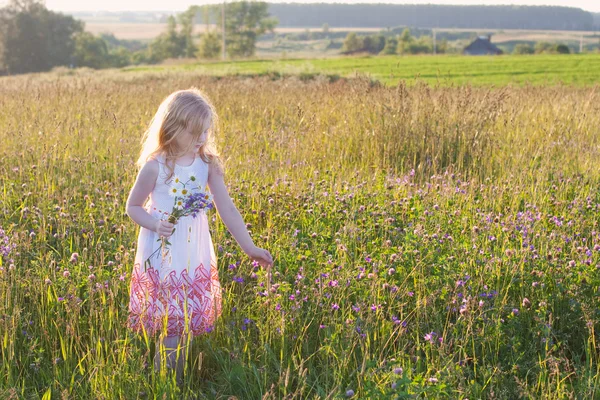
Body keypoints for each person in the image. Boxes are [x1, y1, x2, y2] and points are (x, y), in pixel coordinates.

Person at [125, 87, 274, 386]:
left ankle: (172, 380)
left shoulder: (207, 164)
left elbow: (227, 208)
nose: (202, 139)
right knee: (172, 324)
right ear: (172, 128)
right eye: (195, 133)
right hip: (164, 250)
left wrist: (249, 247)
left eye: (206, 131)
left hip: (193, 251)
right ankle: (166, 384)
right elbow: (133, 207)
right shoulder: (156, 166)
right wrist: (155, 224)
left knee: (185, 321)